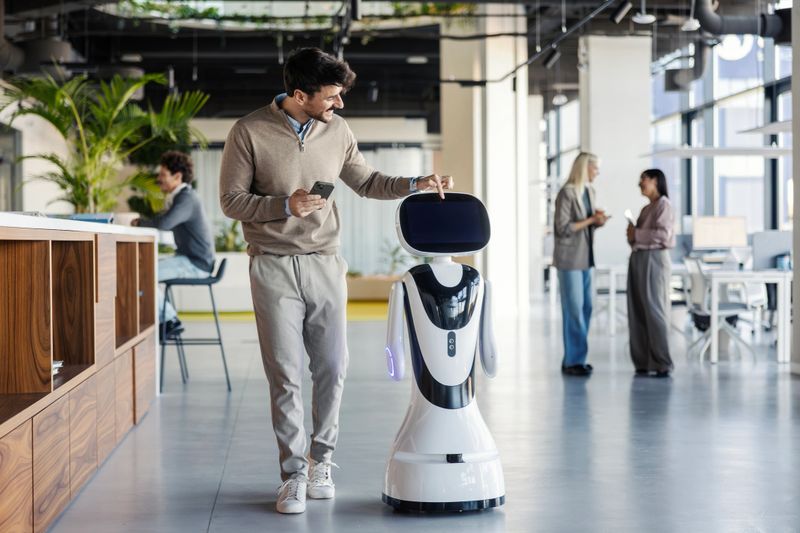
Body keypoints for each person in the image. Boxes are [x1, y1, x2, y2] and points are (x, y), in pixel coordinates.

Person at [218, 47, 453, 515]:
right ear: (299, 94)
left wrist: (415, 183)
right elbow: (231, 200)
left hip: (325, 262)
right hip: (272, 264)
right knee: (284, 374)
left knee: (332, 367)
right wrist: (286, 206)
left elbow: (366, 181)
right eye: (331, 97)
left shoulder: (338, 130)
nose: (339, 105)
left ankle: (321, 460)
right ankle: (293, 475)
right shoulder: (248, 131)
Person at [135, 151, 215, 338]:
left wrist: (138, 222)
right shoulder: (181, 197)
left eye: (163, 175)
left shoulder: (187, 198)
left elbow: (164, 223)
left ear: (177, 176)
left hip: (196, 264)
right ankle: (161, 320)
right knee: (140, 271)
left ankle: (170, 321)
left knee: (142, 274)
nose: (158, 179)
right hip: (189, 259)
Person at [553, 152, 608, 376]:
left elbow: (585, 226)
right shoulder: (566, 193)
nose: (597, 173)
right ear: (585, 168)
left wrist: (597, 223)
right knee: (574, 309)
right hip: (569, 260)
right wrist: (590, 220)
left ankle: (578, 357)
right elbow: (562, 228)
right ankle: (572, 361)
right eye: (595, 168)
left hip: (587, 257)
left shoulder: (590, 191)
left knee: (586, 307)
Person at [626, 168, 675, 377]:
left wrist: (636, 233)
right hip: (639, 258)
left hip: (654, 259)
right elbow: (637, 237)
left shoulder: (664, 205)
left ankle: (662, 361)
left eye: (643, 180)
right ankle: (644, 361)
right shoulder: (647, 208)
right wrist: (632, 234)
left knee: (655, 310)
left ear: (656, 181)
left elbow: (663, 236)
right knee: (637, 310)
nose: (640, 184)